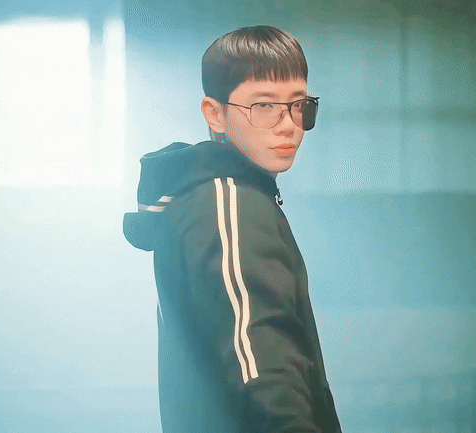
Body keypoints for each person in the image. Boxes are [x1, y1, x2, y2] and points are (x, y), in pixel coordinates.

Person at [123, 25, 342, 433]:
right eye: (264, 105)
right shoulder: (229, 205)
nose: (289, 125)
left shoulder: (219, 197)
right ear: (215, 114)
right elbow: (262, 370)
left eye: (299, 105)